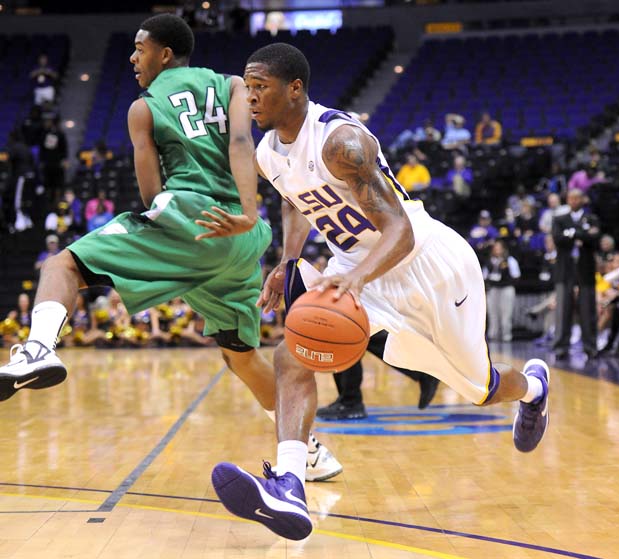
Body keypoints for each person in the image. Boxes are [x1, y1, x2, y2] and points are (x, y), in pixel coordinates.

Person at [202, 43, 551, 541]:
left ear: (295, 89)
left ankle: (534, 389)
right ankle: (289, 486)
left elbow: (399, 229)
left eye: (261, 88)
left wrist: (359, 277)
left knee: (482, 388)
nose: (251, 98)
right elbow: (296, 200)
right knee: (291, 354)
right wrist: (287, 261)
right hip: (356, 266)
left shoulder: (341, 142)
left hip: (428, 265)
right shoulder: (266, 153)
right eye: (248, 87)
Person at [0, 14, 341, 482]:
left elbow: (149, 194)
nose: (132, 58)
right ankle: (307, 453)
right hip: (242, 236)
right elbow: (243, 141)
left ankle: (38, 347)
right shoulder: (236, 84)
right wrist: (244, 210)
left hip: (189, 222)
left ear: (164, 53)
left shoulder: (143, 107)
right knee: (239, 353)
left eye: (139, 49)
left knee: (62, 264)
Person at [551, 188, 601, 359]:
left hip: (585, 270)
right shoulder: (559, 219)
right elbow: (558, 240)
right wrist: (581, 233)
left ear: (583, 200)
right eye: (571, 198)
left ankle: (590, 347)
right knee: (563, 310)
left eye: (577, 198)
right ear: (567, 200)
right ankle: (560, 347)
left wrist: (572, 233)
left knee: (588, 310)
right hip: (565, 270)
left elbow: (595, 239)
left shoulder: (592, 218)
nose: (574, 201)